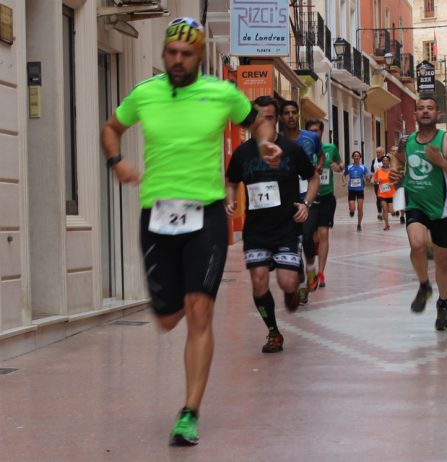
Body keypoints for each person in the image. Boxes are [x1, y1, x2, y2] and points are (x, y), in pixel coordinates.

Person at [100, 17, 281, 446]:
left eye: (186, 54)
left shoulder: (221, 93)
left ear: (199, 55)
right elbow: (111, 128)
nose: (178, 60)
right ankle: (178, 300)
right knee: (168, 319)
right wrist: (116, 162)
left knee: (200, 312)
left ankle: (189, 411)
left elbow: (256, 120)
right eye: (172, 53)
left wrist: (264, 141)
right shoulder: (145, 94)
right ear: (164, 54)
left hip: (207, 215)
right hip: (158, 215)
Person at [226, 96, 320, 353]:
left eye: (268, 117)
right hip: (256, 230)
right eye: (257, 117)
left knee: (288, 284)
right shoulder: (243, 153)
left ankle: (293, 284)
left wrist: (306, 204)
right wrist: (231, 200)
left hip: (286, 227)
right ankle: (273, 332)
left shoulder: (290, 149)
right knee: (258, 281)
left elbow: (313, 178)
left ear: (276, 119)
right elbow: (231, 181)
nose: (262, 122)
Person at [390, 97, 447, 331]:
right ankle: (424, 285)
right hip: (415, 203)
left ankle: (442, 304)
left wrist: (440, 162)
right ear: (414, 114)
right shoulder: (407, 141)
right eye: (421, 108)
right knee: (417, 244)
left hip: (442, 208)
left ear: (438, 115)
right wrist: (395, 174)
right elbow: (397, 158)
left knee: (443, 262)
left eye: (430, 108)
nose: (425, 112)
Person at [278, 100, 324, 304]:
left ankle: (311, 268)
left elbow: (321, 155)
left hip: (309, 194)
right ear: (281, 117)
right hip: (288, 197)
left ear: (298, 116)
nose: (289, 116)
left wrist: (318, 168)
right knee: (292, 243)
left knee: (306, 236)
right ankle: (300, 280)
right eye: (286, 113)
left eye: (293, 112)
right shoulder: (277, 141)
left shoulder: (311, 138)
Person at [305, 119, 344, 288]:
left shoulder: (331, 149)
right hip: (309, 198)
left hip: (327, 197)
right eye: (311, 130)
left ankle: (320, 273)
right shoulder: (303, 149)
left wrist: (338, 166)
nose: (314, 133)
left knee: (323, 234)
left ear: (322, 132)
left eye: (317, 130)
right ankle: (311, 265)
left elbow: (341, 164)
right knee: (310, 237)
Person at [343, 150, 372, 231]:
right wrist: (344, 181)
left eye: (358, 156)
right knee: (352, 208)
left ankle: (359, 224)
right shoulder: (349, 167)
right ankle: (351, 211)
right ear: (353, 157)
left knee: (360, 208)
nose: (356, 157)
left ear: (360, 157)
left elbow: (368, 176)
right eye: (355, 156)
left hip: (360, 190)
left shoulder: (363, 167)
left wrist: (368, 178)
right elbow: (344, 175)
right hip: (351, 190)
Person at [374, 154, 396, 230]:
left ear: (389, 162)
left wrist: (392, 183)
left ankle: (393, 212)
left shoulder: (392, 170)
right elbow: (375, 180)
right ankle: (387, 224)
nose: (385, 162)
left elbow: (397, 180)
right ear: (382, 162)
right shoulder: (378, 171)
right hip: (382, 193)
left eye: (386, 160)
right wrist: (377, 180)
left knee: (390, 210)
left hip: (390, 193)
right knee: (384, 208)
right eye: (383, 160)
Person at [371, 147, 385, 220]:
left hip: (385, 182)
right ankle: (379, 212)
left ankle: (385, 211)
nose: (378, 154)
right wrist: (372, 177)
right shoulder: (374, 161)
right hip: (377, 183)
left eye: (379, 152)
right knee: (378, 198)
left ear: (383, 153)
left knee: (385, 197)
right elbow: (372, 171)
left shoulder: (386, 160)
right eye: (377, 152)